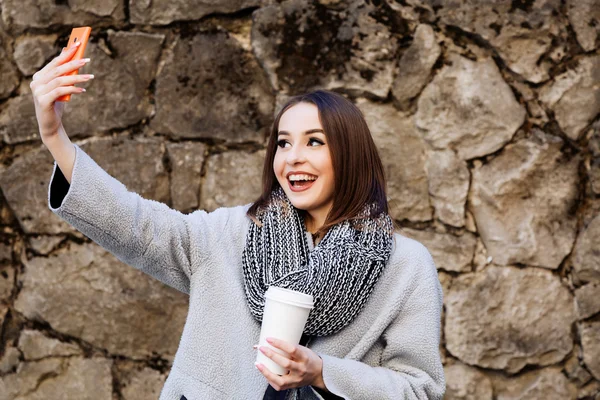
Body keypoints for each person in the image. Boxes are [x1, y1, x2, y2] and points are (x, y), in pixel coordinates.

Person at [31, 41, 446, 399]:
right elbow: (137, 225)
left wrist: (322, 373)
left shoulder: (405, 267)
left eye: (314, 142)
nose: (293, 157)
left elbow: (419, 389)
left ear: (350, 153)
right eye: (283, 143)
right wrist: (55, 137)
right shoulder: (231, 233)